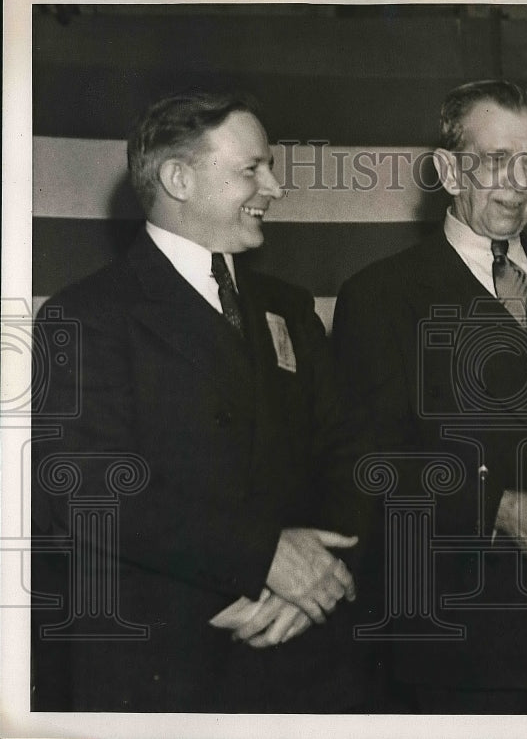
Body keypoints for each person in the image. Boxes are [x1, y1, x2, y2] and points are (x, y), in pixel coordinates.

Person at [32, 90, 369, 712]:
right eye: (252, 168)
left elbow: (347, 456)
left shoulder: (291, 309)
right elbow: (82, 490)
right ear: (178, 178)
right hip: (161, 671)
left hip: (304, 658)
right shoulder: (87, 315)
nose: (274, 186)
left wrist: (313, 581)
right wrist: (262, 558)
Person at [330, 79, 527, 713]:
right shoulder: (381, 296)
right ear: (447, 169)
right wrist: (493, 504)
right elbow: (365, 462)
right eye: (496, 161)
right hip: (462, 648)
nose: (518, 183)